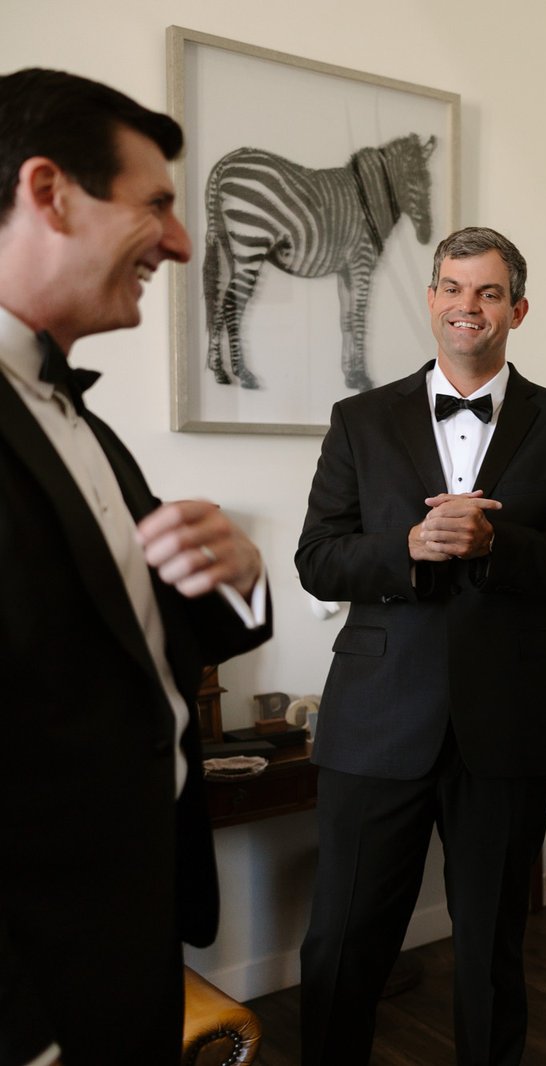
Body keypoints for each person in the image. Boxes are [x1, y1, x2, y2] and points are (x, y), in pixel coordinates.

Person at [296, 226, 546, 1065]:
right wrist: (409, 546)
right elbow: (317, 558)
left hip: (512, 722)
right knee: (341, 945)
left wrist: (497, 546)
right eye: (451, 287)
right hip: (376, 719)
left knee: (492, 951)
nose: (466, 306)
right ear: (432, 297)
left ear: (517, 309)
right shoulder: (360, 419)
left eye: (487, 292)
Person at [0, 69, 271, 1066]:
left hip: (134, 932)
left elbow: (135, 642)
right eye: (155, 203)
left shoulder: (79, 420)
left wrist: (240, 574)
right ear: (49, 192)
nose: (183, 242)